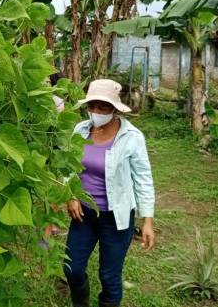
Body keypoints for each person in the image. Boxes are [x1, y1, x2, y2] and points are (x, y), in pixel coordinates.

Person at [64, 79, 155, 307]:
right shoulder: (80, 130)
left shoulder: (132, 138)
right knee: (71, 268)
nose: (96, 112)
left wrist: (147, 221)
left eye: (103, 107)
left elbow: (143, 178)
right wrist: (71, 194)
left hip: (117, 217)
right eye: (92, 106)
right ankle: (80, 303)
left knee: (109, 276)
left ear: (115, 109)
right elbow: (67, 165)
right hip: (84, 213)